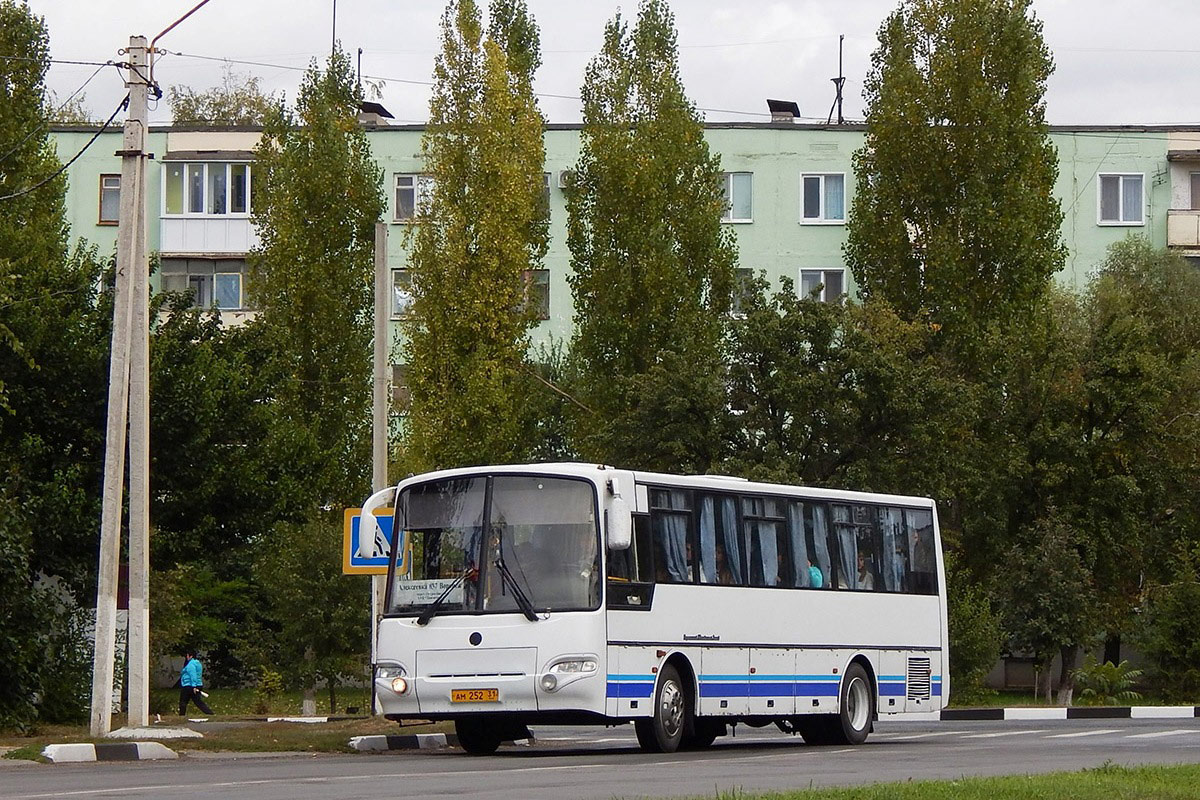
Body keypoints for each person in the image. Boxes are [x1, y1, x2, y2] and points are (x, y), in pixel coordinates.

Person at [179, 649, 214, 716]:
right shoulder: (197, 663)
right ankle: (210, 713)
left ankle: (181, 715)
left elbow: (193, 675)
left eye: (187, 655)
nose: (186, 657)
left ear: (190, 656)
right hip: (197, 684)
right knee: (198, 702)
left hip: (189, 685)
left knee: (183, 701)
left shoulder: (190, 665)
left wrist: (194, 686)